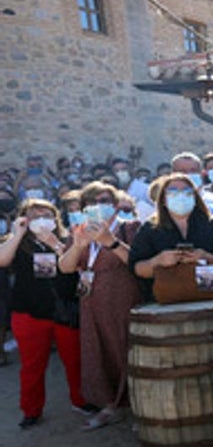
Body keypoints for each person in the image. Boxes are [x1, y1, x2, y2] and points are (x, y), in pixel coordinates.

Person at [60, 181, 144, 430]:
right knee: (98, 350)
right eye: (93, 202)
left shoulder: (130, 228)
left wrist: (110, 242)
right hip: (91, 301)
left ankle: (141, 406)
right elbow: (65, 267)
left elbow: (137, 263)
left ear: (116, 205)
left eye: (105, 200)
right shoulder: (79, 231)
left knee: (128, 349)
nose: (99, 206)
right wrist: (78, 245)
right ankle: (111, 405)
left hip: (124, 298)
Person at [0, 198, 90, 427]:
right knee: (32, 365)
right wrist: (18, 233)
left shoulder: (68, 238)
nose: (41, 220)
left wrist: (55, 244)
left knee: (74, 360)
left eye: (46, 215)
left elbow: (76, 266)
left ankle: (81, 400)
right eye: (35, 215)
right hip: (28, 313)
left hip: (64, 310)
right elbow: (2, 260)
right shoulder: (18, 243)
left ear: (55, 218)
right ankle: (31, 410)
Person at [129, 173, 213, 302]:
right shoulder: (150, 228)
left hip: (211, 300)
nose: (180, 196)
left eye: (187, 192)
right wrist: (158, 261)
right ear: (163, 199)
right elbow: (136, 268)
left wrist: (206, 257)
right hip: (166, 303)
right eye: (173, 192)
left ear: (195, 197)